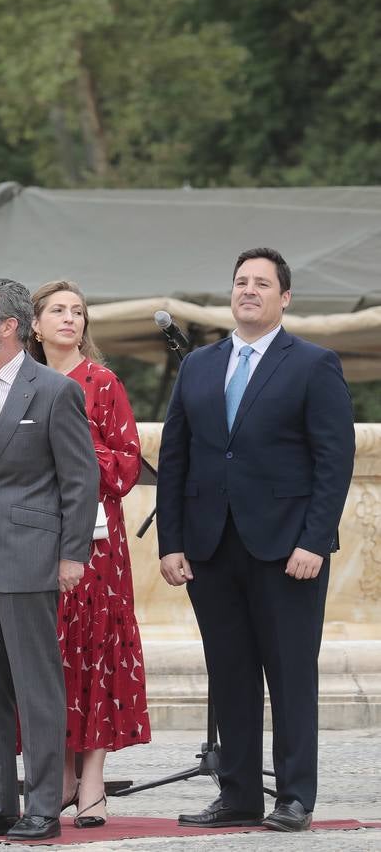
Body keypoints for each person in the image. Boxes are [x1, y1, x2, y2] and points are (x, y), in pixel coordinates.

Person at [157, 248, 354, 833]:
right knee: (230, 672)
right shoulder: (199, 366)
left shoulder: (314, 364)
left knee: (290, 674)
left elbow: (333, 460)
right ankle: (237, 794)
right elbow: (176, 459)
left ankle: (294, 797)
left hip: (287, 549)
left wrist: (314, 541)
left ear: (284, 298)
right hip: (211, 547)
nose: (249, 290)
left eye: (262, 283)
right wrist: (172, 541)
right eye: (240, 281)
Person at [0, 278, 98, 842]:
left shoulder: (55, 391)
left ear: (7, 326)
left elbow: (80, 480)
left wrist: (71, 555)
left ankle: (42, 805)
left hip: (32, 557)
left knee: (36, 687)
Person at [28, 280, 150, 828]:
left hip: (97, 544)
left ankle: (93, 780)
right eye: (57, 311)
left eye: (78, 312)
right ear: (34, 324)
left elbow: (127, 466)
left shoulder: (103, 382)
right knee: (49, 654)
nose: (70, 320)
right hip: (31, 534)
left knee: (94, 649)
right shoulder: (20, 382)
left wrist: (73, 444)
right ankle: (59, 778)